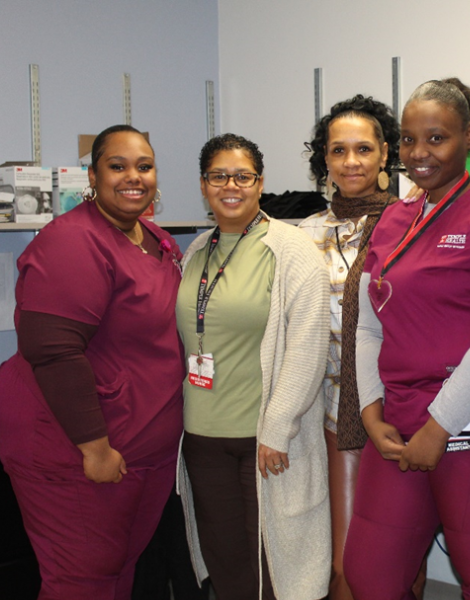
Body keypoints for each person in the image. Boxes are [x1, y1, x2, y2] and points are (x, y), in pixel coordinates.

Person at [342, 78, 470, 600]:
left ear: (469, 139)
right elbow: (368, 324)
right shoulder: (393, 218)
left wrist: (439, 426)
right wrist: (371, 412)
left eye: (436, 138)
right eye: (409, 139)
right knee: (370, 574)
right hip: (399, 417)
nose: (420, 153)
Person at [0, 124, 185, 599]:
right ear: (93, 176)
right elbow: (54, 351)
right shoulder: (72, 242)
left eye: (144, 166)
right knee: (81, 581)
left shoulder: (153, 237)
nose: (133, 177)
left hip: (141, 449)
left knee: (116, 572)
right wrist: (94, 449)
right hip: (74, 448)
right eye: (117, 166)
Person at [175, 134, 331, 600]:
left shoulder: (291, 248)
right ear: (203, 185)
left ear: (260, 183)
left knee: (276, 567)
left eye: (243, 176)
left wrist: (277, 428)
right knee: (226, 563)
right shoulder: (195, 251)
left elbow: (308, 346)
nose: (231, 186)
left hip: (264, 441)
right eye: (219, 176)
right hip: (202, 438)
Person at [301, 95, 428, 600]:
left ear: (385, 154)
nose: (350, 162)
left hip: (406, 410)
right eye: (338, 150)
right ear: (325, 159)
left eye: (363, 149)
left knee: (403, 564)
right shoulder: (303, 235)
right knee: (347, 565)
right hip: (337, 417)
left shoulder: (413, 224)